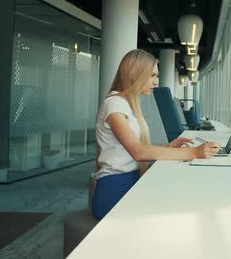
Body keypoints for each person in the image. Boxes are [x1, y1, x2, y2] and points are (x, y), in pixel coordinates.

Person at [91, 49, 220, 220]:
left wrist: (166, 148)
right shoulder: (115, 104)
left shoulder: (126, 104)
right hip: (115, 190)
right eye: (152, 75)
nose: (156, 82)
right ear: (134, 73)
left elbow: (127, 150)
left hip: (129, 180)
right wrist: (194, 153)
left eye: (157, 76)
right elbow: (137, 152)